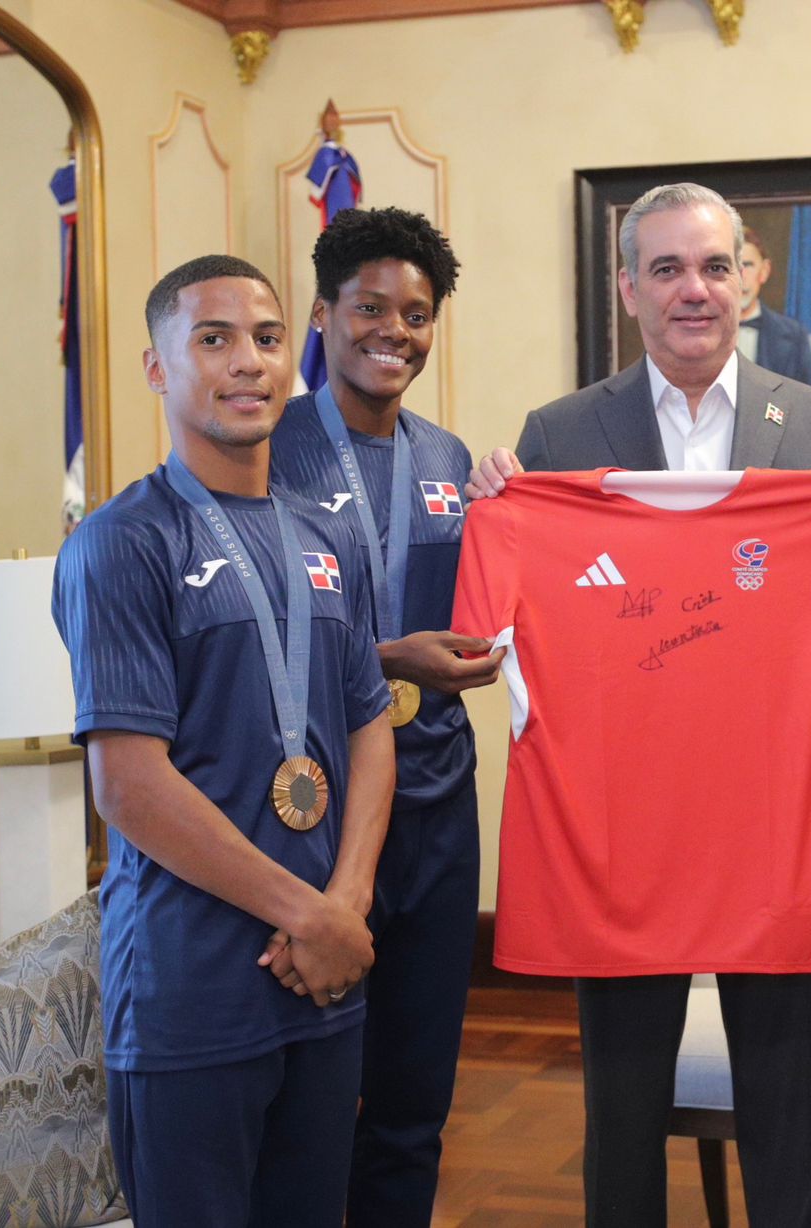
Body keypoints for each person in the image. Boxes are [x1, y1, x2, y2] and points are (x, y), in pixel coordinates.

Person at [466, 180, 811, 1228]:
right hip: (621, 836)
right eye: (666, 268)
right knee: (621, 1115)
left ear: (749, 278)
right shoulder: (559, 433)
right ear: (628, 288)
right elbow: (500, 634)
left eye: (714, 266)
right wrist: (507, 509)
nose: (693, 290)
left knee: (784, 1112)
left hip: (770, 835)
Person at [52, 254, 395, 1227]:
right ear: (158, 369)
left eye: (268, 338)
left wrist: (349, 903)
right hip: (191, 990)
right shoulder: (121, 543)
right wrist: (312, 915)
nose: (248, 361)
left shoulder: (325, 539)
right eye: (213, 339)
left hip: (323, 981)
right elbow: (128, 786)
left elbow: (369, 723)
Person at [267, 207, 501, 1226]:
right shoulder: (267, 452)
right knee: (312, 1097)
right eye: (370, 309)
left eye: (416, 314)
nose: (394, 332)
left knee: (414, 1098)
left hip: (440, 799)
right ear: (323, 315)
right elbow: (243, 641)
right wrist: (386, 660)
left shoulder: (450, 459)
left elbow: (489, 602)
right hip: (309, 807)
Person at [736, 224, 811, 386]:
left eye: (748, 265)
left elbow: (809, 403)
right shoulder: (700, 331)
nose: (742, 277)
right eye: (733, 266)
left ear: (765, 270)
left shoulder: (794, 336)